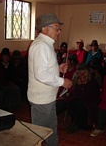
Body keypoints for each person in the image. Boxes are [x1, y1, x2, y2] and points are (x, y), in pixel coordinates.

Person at [27, 13, 72, 146]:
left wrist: (58, 68)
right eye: (56, 28)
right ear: (44, 29)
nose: (59, 31)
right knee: (38, 134)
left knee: (51, 129)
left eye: (59, 28)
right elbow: (40, 74)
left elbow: (45, 68)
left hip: (48, 98)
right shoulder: (41, 46)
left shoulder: (47, 44)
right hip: (41, 100)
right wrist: (62, 81)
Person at [66, 63, 100, 134]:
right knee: (73, 102)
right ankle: (75, 123)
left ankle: (77, 124)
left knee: (77, 102)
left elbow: (88, 98)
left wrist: (81, 87)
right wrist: (78, 86)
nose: (82, 75)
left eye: (84, 72)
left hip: (89, 108)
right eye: (79, 73)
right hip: (79, 107)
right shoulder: (77, 81)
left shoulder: (92, 82)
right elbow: (74, 95)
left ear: (87, 72)